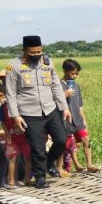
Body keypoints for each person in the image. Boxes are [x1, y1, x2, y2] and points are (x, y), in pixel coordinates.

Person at [4, 35, 71, 188]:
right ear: (24, 51)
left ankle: (48, 163)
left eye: (38, 52)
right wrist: (15, 116)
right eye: (32, 52)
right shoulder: (14, 66)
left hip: (50, 108)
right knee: (37, 146)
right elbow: (10, 94)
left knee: (61, 139)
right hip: (29, 112)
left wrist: (64, 108)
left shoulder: (47, 62)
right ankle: (40, 178)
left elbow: (55, 86)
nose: (36, 55)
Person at [55, 59, 99, 175]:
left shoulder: (76, 86)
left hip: (77, 119)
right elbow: (52, 102)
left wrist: (84, 120)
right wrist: (65, 94)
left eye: (76, 73)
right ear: (65, 71)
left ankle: (89, 164)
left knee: (86, 140)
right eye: (72, 73)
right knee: (67, 143)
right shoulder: (58, 86)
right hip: (65, 120)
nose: (74, 76)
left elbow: (80, 106)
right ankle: (69, 165)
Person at [0, 92, 32, 188]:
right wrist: (7, 132)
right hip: (12, 138)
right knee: (12, 159)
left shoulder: (23, 103)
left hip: (25, 137)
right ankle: (11, 181)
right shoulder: (3, 107)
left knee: (28, 158)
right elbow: (2, 122)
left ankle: (27, 179)